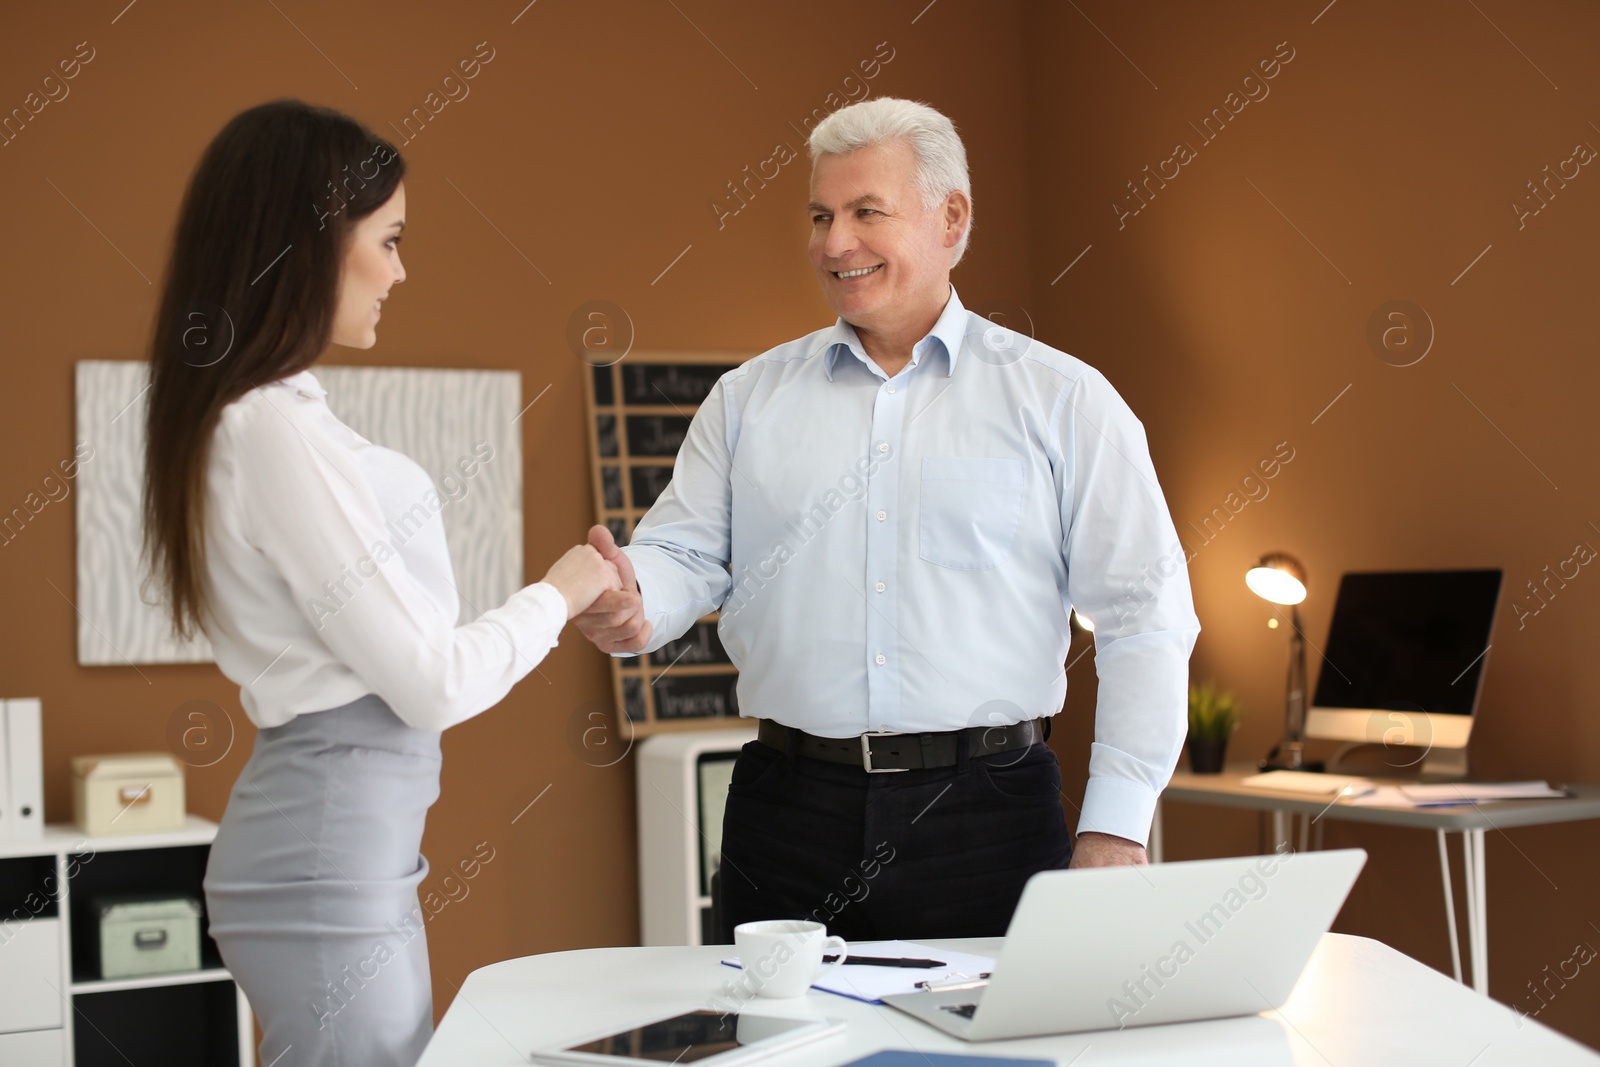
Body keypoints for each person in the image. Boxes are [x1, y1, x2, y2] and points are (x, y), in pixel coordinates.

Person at [575, 97, 1200, 942]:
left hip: (988, 818)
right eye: (822, 215)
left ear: (951, 218)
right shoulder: (746, 399)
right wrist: (634, 596)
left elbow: (1145, 618)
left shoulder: (1063, 400)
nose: (835, 242)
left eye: (867, 212)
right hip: (783, 812)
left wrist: (1118, 825)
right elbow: (684, 554)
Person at [139, 100, 619, 1066]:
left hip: (338, 854)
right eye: (389, 240)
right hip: (326, 864)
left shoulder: (271, 418)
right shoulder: (270, 428)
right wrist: (562, 591)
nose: (401, 269)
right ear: (308, 244)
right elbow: (432, 679)